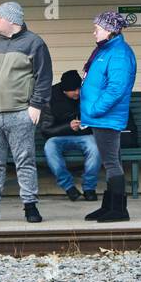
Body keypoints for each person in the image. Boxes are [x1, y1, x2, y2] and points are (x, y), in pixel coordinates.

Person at [0, 1, 54, 224]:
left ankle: (30, 207)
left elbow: (44, 77)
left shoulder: (34, 43)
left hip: (20, 112)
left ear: (11, 20)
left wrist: (36, 105)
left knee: (25, 160)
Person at [80, 10, 137, 223]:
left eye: (98, 28)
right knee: (111, 161)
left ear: (110, 30)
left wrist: (94, 109)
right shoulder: (107, 50)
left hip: (106, 116)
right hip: (101, 116)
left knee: (111, 162)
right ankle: (109, 206)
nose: (94, 32)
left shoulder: (119, 54)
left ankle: (119, 210)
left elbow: (116, 89)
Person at [40, 69, 101, 201]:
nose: (77, 92)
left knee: (95, 147)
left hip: (85, 135)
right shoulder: (50, 98)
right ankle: (69, 187)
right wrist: (68, 127)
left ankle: (89, 188)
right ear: (64, 90)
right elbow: (46, 130)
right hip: (59, 137)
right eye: (73, 90)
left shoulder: (87, 94)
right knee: (49, 147)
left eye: (79, 88)